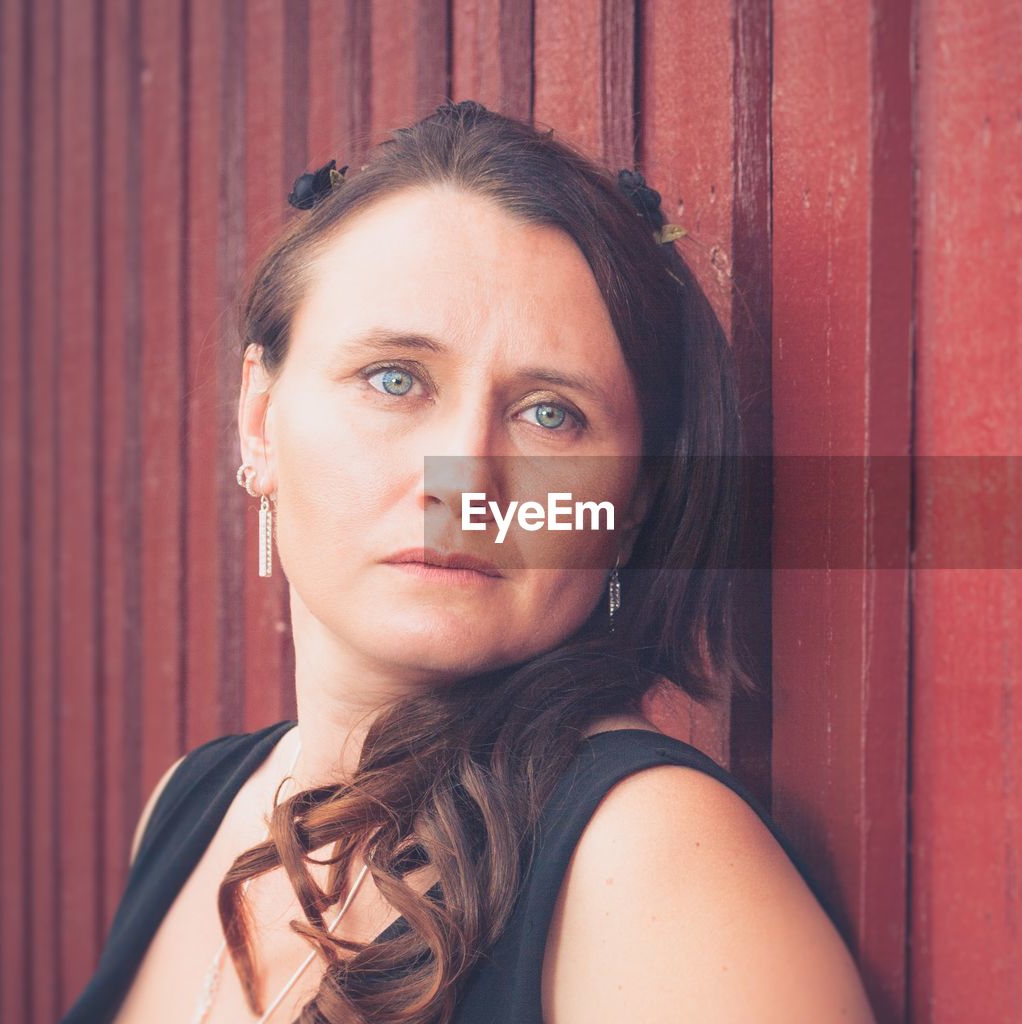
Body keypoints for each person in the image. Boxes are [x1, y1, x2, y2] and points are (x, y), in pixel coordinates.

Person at [63, 100, 876, 1024]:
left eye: (549, 414)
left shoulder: (647, 864)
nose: (461, 481)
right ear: (261, 417)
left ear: (629, 503)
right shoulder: (192, 805)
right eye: (395, 379)